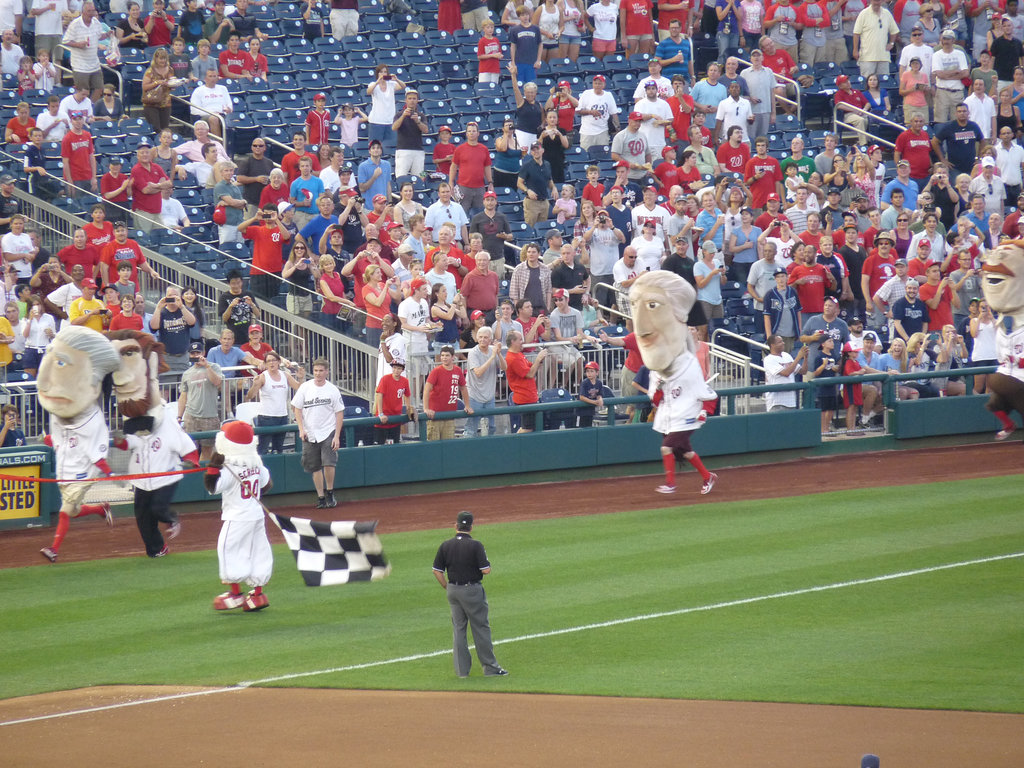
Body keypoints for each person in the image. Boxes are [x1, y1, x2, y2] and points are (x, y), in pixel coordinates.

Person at [629, 270, 718, 494]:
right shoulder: (656, 370)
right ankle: (708, 477)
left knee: (666, 448)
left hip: (686, 414)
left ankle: (671, 483)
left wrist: (704, 412)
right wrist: (658, 389)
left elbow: (708, 394)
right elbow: (656, 398)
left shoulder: (688, 365)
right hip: (671, 415)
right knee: (685, 452)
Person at [37, 326, 121, 563]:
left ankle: (53, 548)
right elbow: (61, 439)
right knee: (73, 510)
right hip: (66, 468)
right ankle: (100, 509)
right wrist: (49, 440)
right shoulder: (60, 410)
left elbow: (96, 454)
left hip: (82, 472)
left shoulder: (93, 418)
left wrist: (110, 473)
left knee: (65, 510)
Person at [205, 420, 273, 612]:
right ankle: (257, 595)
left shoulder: (228, 469)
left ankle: (235, 595)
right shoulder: (256, 463)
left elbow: (212, 488)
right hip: (256, 516)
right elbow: (267, 485)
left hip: (237, 517)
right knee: (258, 552)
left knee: (229, 551)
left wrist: (213, 467)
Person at [432, 510, 509, 678]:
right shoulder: (476, 545)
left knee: (459, 629)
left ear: (456, 526)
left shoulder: (446, 545)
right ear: (471, 527)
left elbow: (437, 571)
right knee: (480, 628)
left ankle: (462, 671)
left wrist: (447, 587)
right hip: (472, 591)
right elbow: (486, 570)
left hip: (453, 590)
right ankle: (490, 668)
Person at [291, 357, 344, 509]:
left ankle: (330, 492)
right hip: (310, 433)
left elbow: (339, 413)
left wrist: (337, 436)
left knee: (328, 463)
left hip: (328, 431)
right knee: (314, 466)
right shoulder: (305, 387)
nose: (318, 374)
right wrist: (301, 429)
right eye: (316, 371)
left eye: (321, 371)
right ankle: (320, 496)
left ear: (326, 372)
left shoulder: (332, 389)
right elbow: (297, 408)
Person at [245, 351, 303, 455]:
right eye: (268, 361)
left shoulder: (285, 375)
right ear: (266, 364)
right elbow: (250, 396)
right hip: (267, 417)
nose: (271, 363)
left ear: (279, 362)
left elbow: (299, 387)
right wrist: (255, 385)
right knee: (263, 448)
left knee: (278, 449)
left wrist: (301, 378)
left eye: (273, 360)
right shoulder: (263, 377)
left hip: (282, 417)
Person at [422, 344, 473, 441]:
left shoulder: (457, 370)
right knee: (433, 443)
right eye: (442, 355)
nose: (444, 358)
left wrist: (467, 405)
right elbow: (427, 389)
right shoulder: (436, 371)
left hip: (450, 415)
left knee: (448, 444)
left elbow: (463, 388)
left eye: (447, 355)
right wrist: (426, 408)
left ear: (453, 357)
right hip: (434, 415)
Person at [763, 333, 809, 410]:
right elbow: (786, 373)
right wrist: (798, 357)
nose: (783, 343)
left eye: (782, 341)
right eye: (780, 342)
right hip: (776, 402)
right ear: (772, 345)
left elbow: (803, 371)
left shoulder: (786, 355)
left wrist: (805, 358)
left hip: (791, 401)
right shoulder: (769, 359)